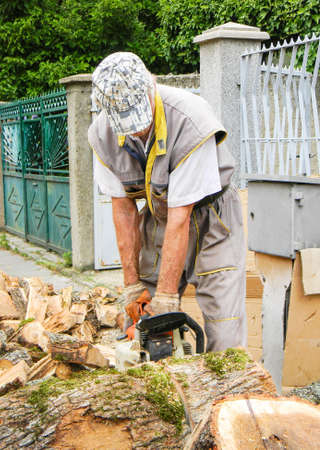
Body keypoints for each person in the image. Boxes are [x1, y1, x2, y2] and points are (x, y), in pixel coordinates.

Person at [88, 52, 247, 351]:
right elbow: (123, 210)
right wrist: (132, 284)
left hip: (211, 218)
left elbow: (181, 217)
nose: (135, 129)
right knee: (141, 319)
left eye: (138, 117)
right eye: (125, 123)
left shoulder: (191, 120)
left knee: (224, 327)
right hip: (159, 213)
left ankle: (228, 390)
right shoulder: (101, 135)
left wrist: (166, 296)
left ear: (153, 86)